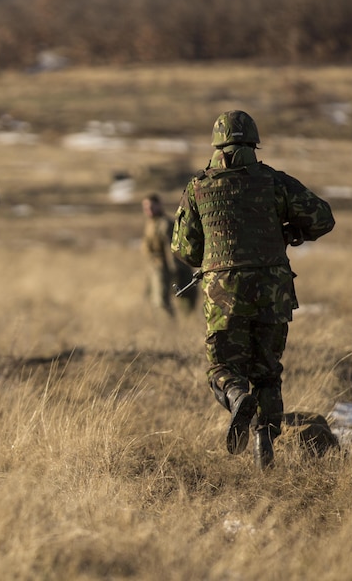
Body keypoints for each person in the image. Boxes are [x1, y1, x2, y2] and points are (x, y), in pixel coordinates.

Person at [171, 110, 335, 469]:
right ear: (253, 144)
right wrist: (292, 232)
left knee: (222, 366)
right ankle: (264, 446)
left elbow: (184, 250)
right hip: (272, 289)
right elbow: (323, 218)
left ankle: (235, 395)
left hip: (223, 292)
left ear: (216, 145)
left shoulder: (199, 186)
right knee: (267, 371)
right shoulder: (275, 182)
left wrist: (214, 253)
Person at [141, 193, 197, 316]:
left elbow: (170, 249)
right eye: (145, 208)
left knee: (162, 301)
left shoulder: (165, 224)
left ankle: (171, 325)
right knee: (153, 299)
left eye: (151, 207)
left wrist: (174, 269)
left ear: (159, 205)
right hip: (155, 266)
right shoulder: (151, 224)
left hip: (165, 267)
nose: (148, 210)